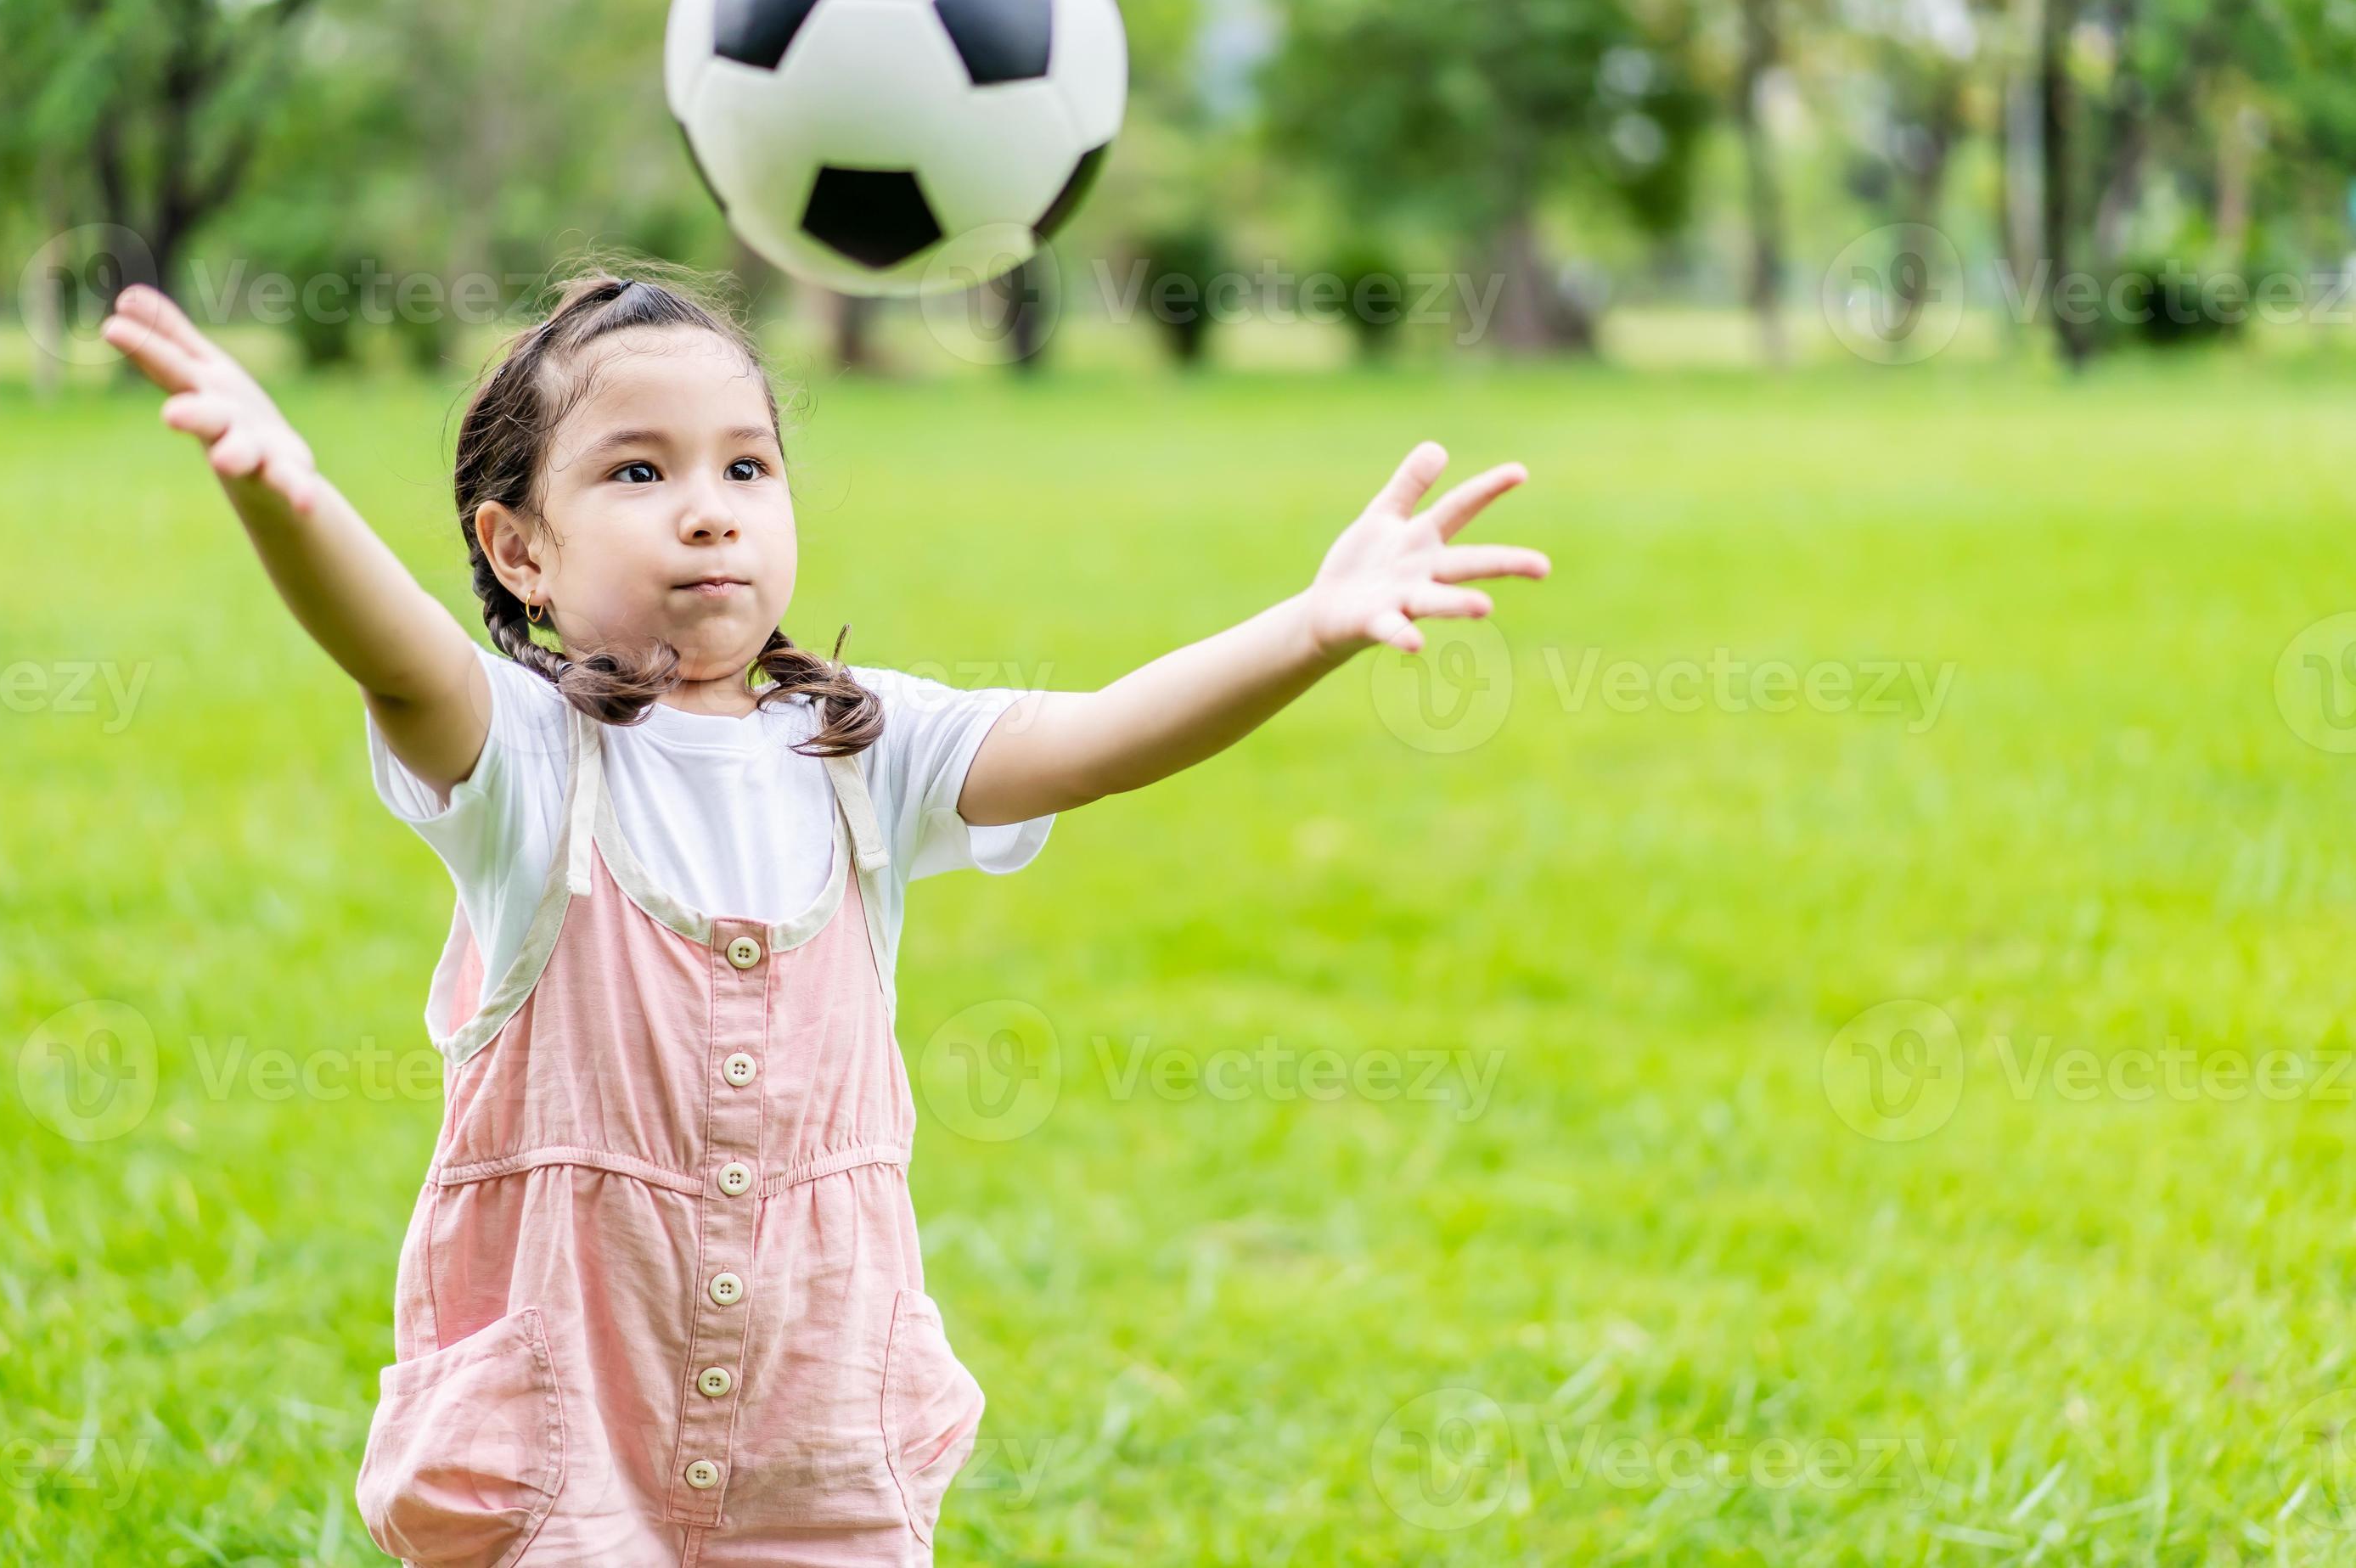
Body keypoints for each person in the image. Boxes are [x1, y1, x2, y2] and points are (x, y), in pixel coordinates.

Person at [101, 263, 1546, 1566]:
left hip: (815, 1420)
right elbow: (403, 664)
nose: (709, 503)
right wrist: (286, 498)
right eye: (636, 471)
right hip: (571, 1437)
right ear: (520, 550)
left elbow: (1105, 733)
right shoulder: (529, 763)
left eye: (747, 463)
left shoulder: (870, 749)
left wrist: (1309, 624)